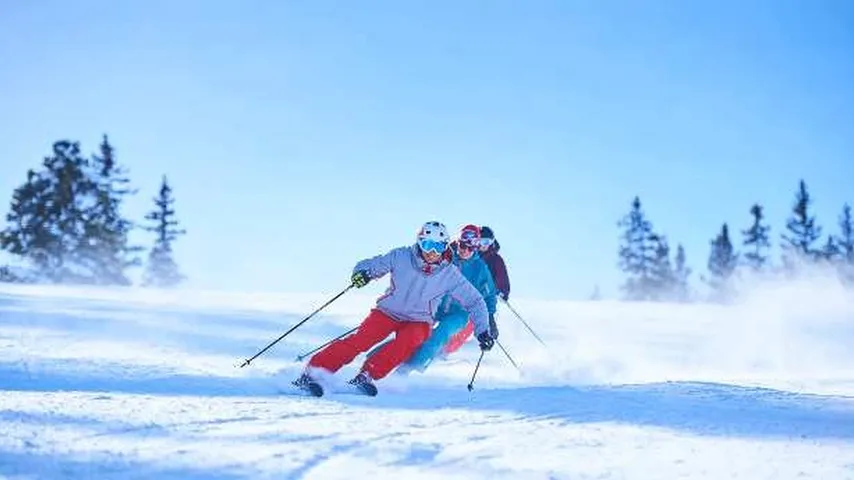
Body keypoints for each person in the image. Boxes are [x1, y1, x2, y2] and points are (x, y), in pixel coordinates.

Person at [293, 221, 495, 395]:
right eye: (427, 244)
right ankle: (313, 373)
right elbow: (371, 265)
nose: (432, 252)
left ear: (445, 247)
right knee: (360, 341)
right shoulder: (401, 256)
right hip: (388, 312)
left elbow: (475, 301)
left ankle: (368, 374)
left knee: (410, 341)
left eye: (438, 247)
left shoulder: (449, 273)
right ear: (419, 241)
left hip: (419, 319)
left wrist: (483, 330)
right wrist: (363, 273)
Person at [396, 224, 498, 373]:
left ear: (476, 248)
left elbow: (489, 295)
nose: (465, 250)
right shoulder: (445, 256)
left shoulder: (480, 268)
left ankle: (410, 369)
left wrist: (490, 317)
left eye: (470, 248)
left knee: (441, 333)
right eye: (463, 245)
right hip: (436, 304)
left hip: (459, 313)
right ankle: (395, 352)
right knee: (415, 327)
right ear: (458, 242)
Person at [440, 224, 509, 356]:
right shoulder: (455, 253)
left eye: (487, 242)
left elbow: (500, 279)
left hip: (477, 301)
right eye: (481, 241)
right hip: (446, 300)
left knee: (467, 323)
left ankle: (444, 351)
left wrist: (502, 293)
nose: (484, 245)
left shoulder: (492, 260)